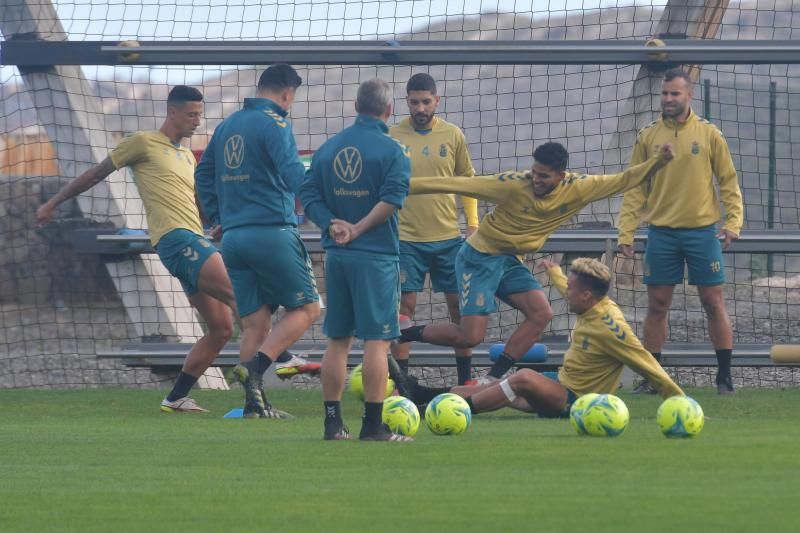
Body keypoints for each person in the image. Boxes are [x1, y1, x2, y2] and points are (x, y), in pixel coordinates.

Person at [397, 141, 675, 383]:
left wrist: (658, 162)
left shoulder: (580, 188)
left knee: (541, 314)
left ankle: (492, 377)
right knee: (470, 337)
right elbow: (452, 183)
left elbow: (624, 179)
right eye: (534, 172)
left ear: (561, 176)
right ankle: (405, 331)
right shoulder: (513, 184)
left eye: (544, 176)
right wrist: (399, 186)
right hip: (478, 257)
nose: (536, 180)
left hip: (509, 261)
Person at [37, 86, 235, 413]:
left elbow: (195, 200)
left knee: (222, 328)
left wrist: (214, 221)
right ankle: (270, 369)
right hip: (176, 240)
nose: (197, 121)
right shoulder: (142, 142)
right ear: (171, 112)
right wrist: (53, 203)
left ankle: (176, 398)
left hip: (195, 237)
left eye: (200, 114)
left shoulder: (186, 155)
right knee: (241, 294)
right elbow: (94, 174)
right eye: (192, 114)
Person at [397, 258, 684, 417]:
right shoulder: (592, 302)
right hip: (560, 385)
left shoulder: (611, 326)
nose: (566, 292)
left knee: (522, 377)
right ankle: (424, 397)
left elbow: (647, 363)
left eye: (571, 289)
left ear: (586, 295)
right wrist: (556, 273)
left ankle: (453, 414)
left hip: (579, 401)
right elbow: (569, 288)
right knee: (486, 387)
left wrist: (680, 401)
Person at [196, 64, 321, 418]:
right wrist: (325, 212)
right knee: (308, 309)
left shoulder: (227, 125)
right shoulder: (275, 123)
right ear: (286, 94)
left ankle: (254, 406)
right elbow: (293, 172)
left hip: (233, 239)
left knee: (255, 323)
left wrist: (217, 217)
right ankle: (255, 369)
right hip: (271, 232)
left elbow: (203, 173)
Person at [617, 68, 744, 395]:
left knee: (713, 302)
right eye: (664, 93)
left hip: (702, 234)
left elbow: (728, 181)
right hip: (662, 234)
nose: (668, 99)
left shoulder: (709, 134)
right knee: (657, 304)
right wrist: (626, 232)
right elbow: (635, 187)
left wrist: (733, 223)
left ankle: (725, 377)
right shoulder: (647, 135)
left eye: (675, 93)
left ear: (689, 95)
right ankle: (654, 378)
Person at [300, 78, 412, 441]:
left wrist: (331, 225)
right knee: (377, 342)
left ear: (355, 106)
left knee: (338, 340)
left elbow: (308, 194)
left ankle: (333, 424)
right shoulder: (393, 151)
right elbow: (392, 199)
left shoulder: (329, 149)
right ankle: (373, 426)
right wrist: (359, 228)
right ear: (389, 110)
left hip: (337, 258)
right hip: (376, 257)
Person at [388, 73, 479, 385]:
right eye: (414, 102)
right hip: (406, 239)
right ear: (407, 102)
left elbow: (467, 181)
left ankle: (465, 380)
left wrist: (473, 224)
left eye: (426, 101)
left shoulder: (453, 135)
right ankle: (403, 383)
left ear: (437, 101)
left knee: (459, 307)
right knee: (405, 308)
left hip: (448, 239)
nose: (420, 107)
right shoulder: (392, 135)